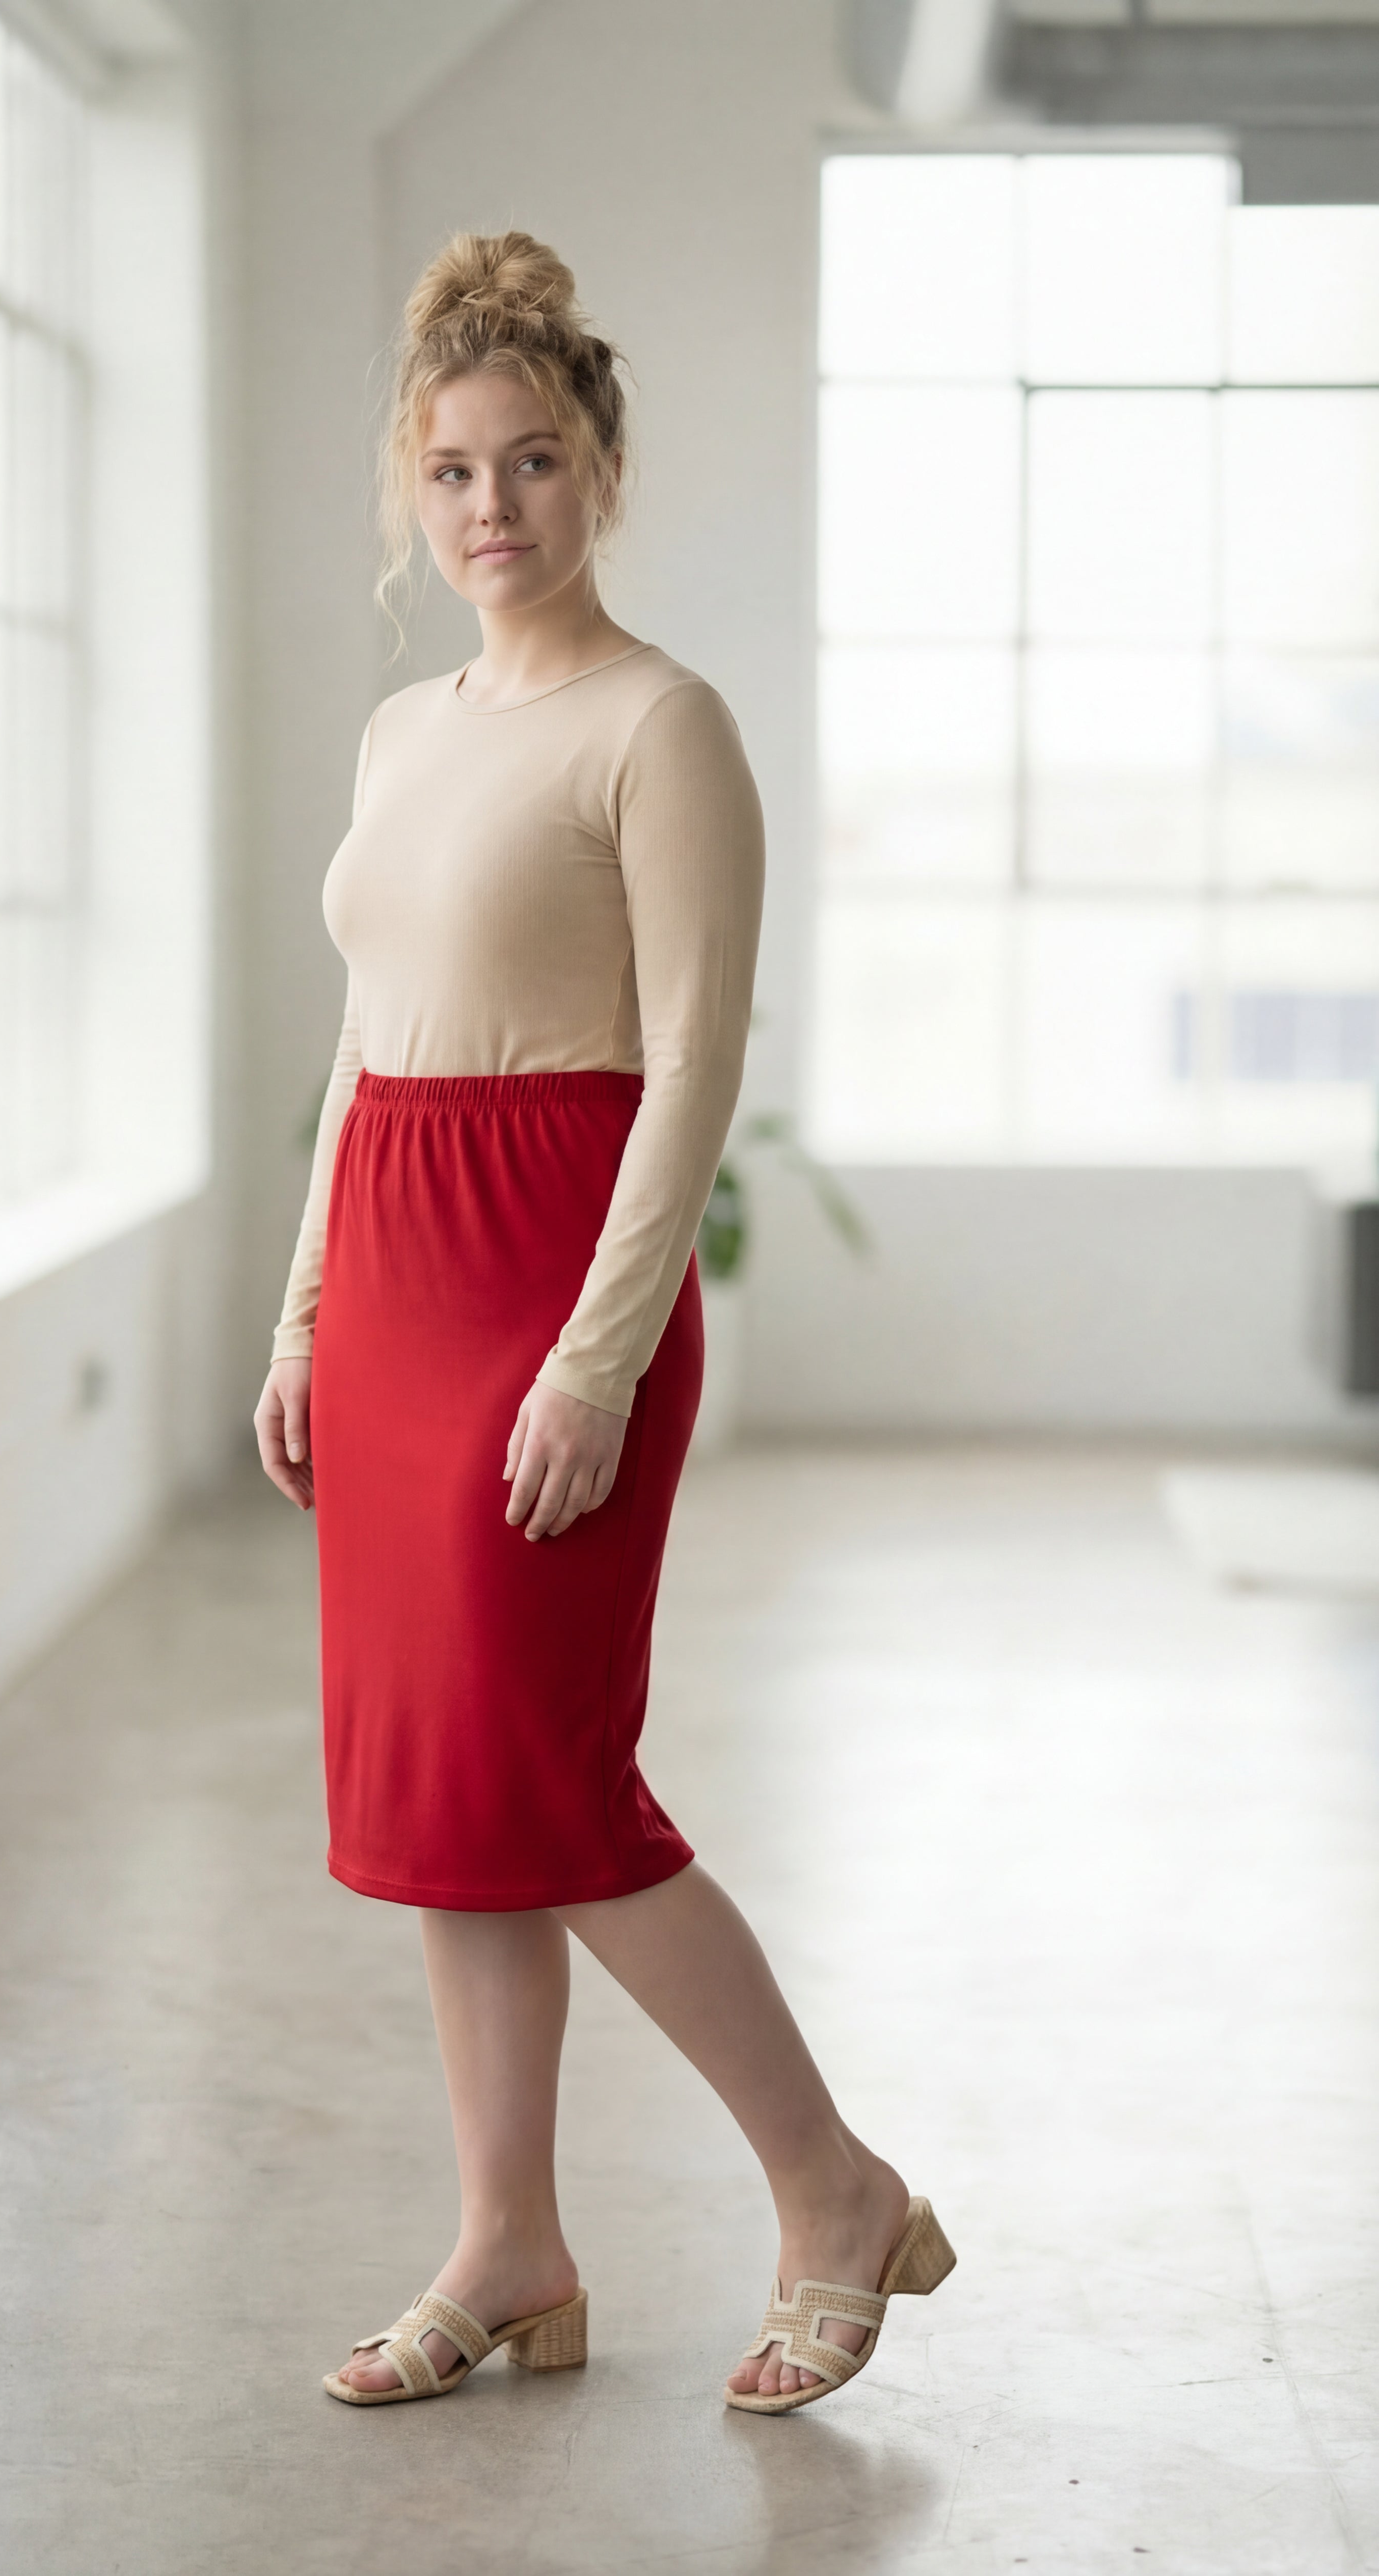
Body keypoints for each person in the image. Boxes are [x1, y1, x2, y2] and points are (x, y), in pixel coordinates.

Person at [253, 230, 952, 2416]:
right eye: (452, 471)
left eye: (532, 462)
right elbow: (366, 1046)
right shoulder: (399, 729)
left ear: (600, 469)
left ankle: (829, 2183)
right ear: (414, 492)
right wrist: (300, 1314)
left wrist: (591, 1355)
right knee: (445, 1796)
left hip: (552, 1272)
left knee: (550, 1781)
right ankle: (509, 2242)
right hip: (384, 1274)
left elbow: (691, 1070)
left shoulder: (663, 725)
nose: (491, 508)